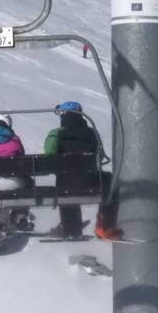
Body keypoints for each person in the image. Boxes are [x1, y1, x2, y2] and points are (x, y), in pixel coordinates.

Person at [43, 101, 101, 239]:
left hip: (65, 183)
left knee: (67, 183)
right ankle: (103, 225)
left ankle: (69, 227)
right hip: (90, 182)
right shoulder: (92, 133)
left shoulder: (56, 134)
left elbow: (49, 156)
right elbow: (99, 154)